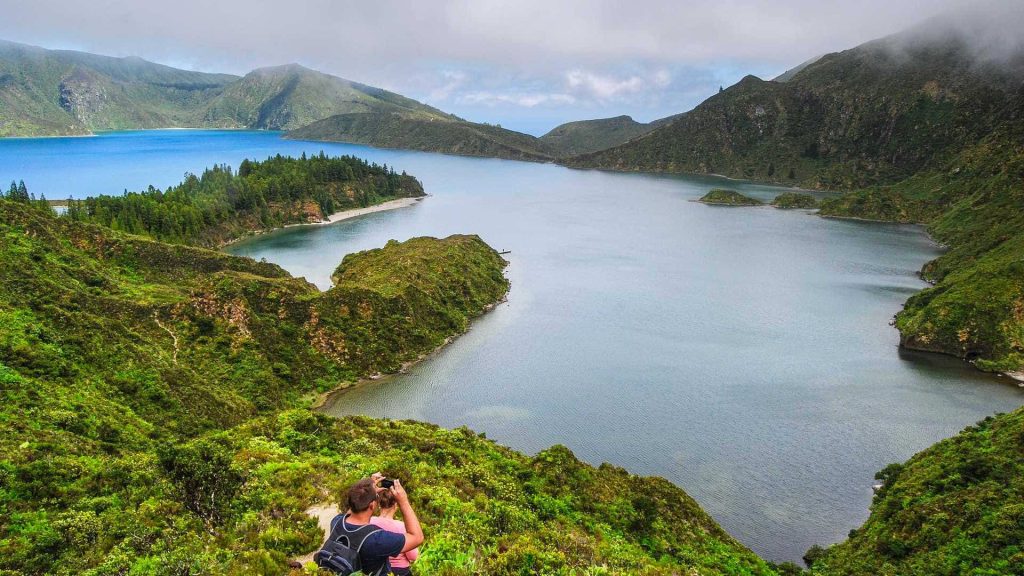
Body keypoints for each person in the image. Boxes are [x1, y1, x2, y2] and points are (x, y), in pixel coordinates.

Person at [326, 474, 423, 576]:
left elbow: (352, 509)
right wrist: (403, 501)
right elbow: (417, 537)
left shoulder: (336, 521)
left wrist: (365, 491)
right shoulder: (376, 539)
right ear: (372, 505)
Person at [371, 488, 420, 575]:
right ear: (395, 505)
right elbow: (413, 556)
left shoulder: (369, 522)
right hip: (399, 570)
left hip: (374, 570)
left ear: (379, 504)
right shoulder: (402, 526)